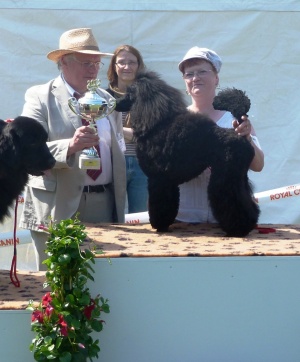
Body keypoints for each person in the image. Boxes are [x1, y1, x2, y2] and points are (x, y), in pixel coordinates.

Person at [19, 28, 126, 270]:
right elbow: (26, 148)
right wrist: (70, 146)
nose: (93, 69)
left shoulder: (107, 100)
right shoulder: (39, 96)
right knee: (56, 287)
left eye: (97, 63)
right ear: (64, 62)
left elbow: (117, 146)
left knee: (105, 282)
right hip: (57, 205)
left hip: (105, 203)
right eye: (86, 62)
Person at [176, 46, 264, 223]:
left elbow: (258, 165)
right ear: (184, 81)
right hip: (183, 218)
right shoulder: (175, 121)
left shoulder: (236, 119)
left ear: (216, 78)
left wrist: (247, 139)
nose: (195, 78)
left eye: (202, 71)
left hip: (228, 218)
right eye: (189, 74)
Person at [106, 45, 148, 213]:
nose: (127, 67)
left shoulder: (147, 97)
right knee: (112, 215)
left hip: (141, 164)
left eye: (132, 62)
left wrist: (116, 129)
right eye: (121, 62)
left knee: (140, 216)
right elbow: (101, 133)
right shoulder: (103, 97)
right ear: (114, 66)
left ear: (139, 66)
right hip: (112, 162)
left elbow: (146, 136)